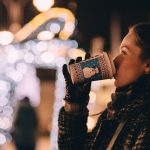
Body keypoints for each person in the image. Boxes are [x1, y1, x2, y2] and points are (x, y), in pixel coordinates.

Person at [58, 22, 150, 149]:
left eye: (124, 52)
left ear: (148, 65)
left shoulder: (144, 119)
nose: (116, 60)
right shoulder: (114, 111)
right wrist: (75, 105)